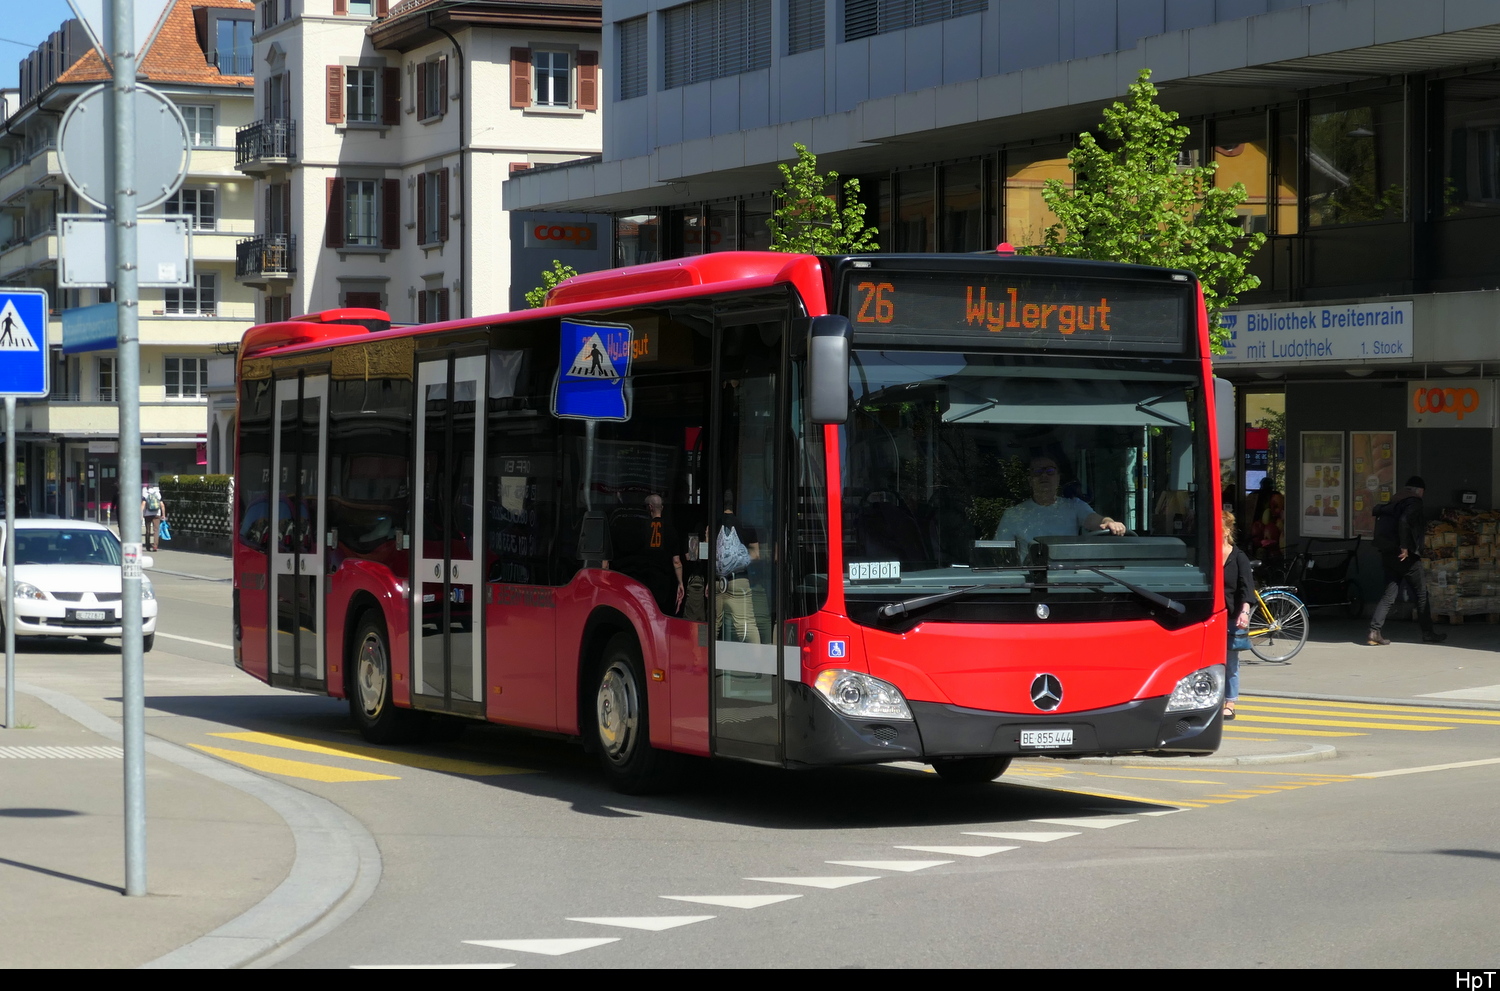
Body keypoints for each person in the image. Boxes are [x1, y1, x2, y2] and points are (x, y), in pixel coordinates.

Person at [1368, 476, 1446, 646]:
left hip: (1388, 553)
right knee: (1421, 594)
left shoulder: (1393, 502)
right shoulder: (1414, 502)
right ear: (1420, 490)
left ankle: (1375, 630)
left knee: (1389, 594)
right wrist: (1404, 546)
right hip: (1406, 556)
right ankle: (1428, 633)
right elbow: (1404, 521)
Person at [995, 455, 1126, 548]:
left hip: (1068, 575)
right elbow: (1000, 551)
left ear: (1058, 478)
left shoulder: (1074, 506)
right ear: (1030, 480)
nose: (1044, 475)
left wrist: (1109, 522)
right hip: (1030, 576)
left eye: (1050, 471)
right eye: (1038, 471)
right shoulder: (1014, 514)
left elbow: (1095, 520)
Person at [712, 492, 761, 643]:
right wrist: (740, 559)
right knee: (746, 626)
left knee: (713, 626)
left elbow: (707, 552)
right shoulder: (746, 526)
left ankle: (705, 655)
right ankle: (756, 654)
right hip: (738, 581)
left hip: (717, 582)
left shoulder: (712, 525)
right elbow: (756, 554)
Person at [1221, 508, 1254, 721]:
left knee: (1231, 661)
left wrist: (1244, 612)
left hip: (1231, 616)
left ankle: (1230, 702)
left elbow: (1247, 588)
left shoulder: (1239, 557)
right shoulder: (1208, 555)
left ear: (1226, 531)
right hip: (1211, 616)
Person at [141, 472, 167, 552]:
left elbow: (143, 505)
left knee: (148, 530)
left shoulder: (146, 494)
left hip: (147, 514)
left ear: (147, 488)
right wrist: (163, 515)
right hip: (157, 514)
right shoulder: (158, 494)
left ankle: (148, 546)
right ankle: (155, 546)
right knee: (156, 530)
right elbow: (162, 505)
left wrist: (141, 514)